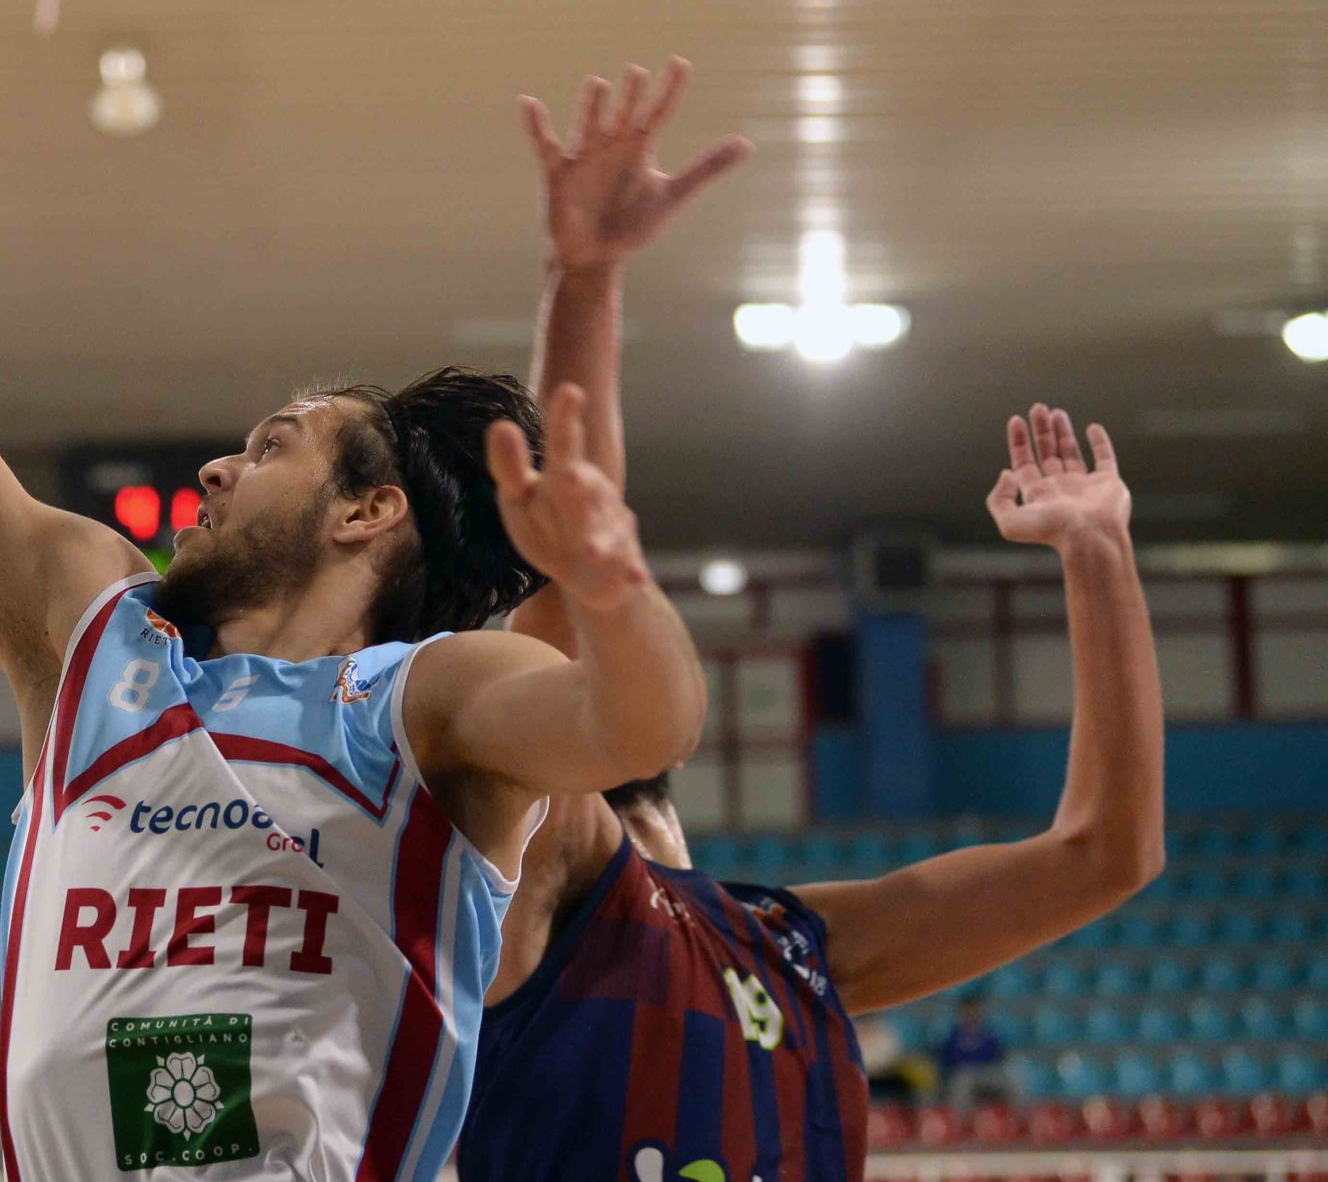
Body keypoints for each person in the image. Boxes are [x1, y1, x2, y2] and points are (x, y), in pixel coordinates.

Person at [0, 2, 726, 1181]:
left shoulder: (430, 700)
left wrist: (611, 582)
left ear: (366, 513)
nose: (214, 469)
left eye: (269, 447)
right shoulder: (91, 634)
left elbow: (643, 727)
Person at [457, 59, 1167, 1182]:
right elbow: (573, 554)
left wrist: (1097, 551)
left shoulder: (786, 945)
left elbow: (1106, 854)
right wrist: (581, 282)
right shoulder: (530, 884)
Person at [938, 998, 1016, 1111]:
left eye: (973, 1011)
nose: (970, 1015)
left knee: (1010, 1080)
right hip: (964, 1072)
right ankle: (962, 1119)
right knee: (963, 1082)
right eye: (967, 1012)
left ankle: (1019, 1116)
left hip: (987, 1071)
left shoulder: (989, 1034)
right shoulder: (952, 1036)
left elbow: (998, 1055)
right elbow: (947, 1059)